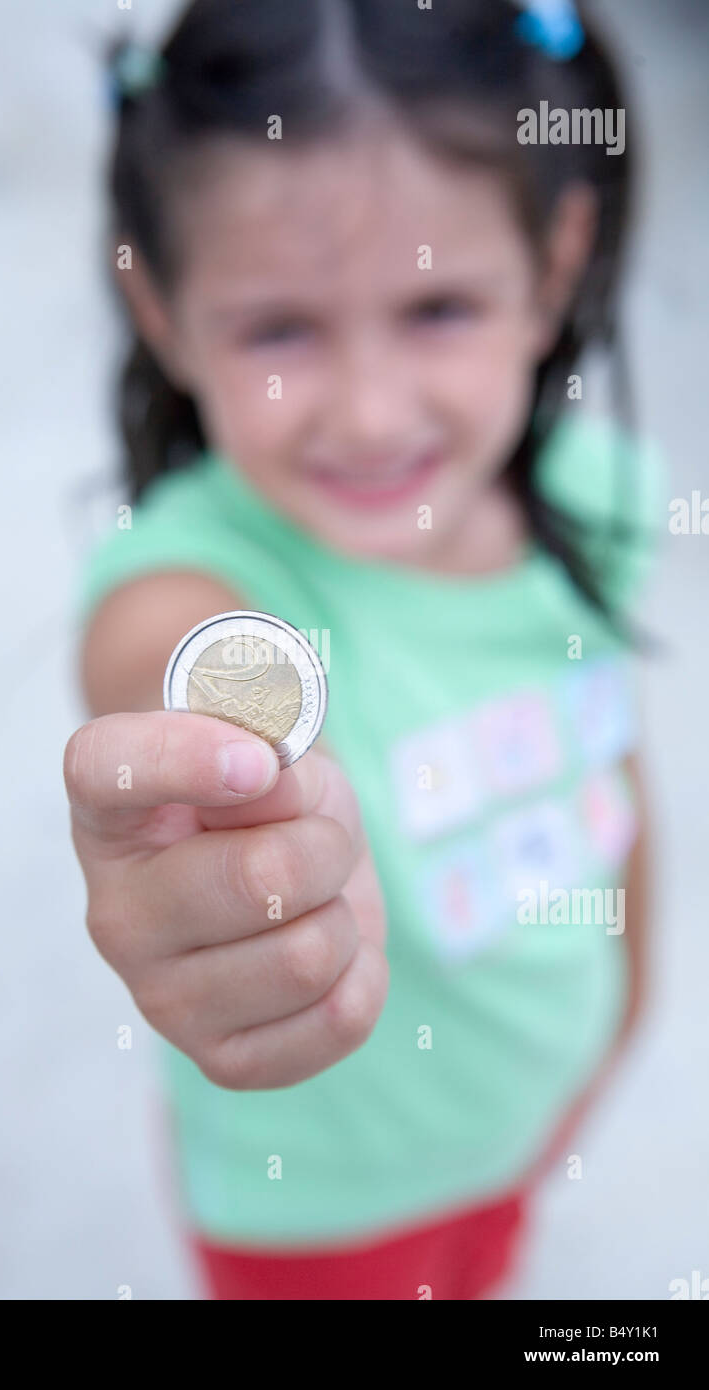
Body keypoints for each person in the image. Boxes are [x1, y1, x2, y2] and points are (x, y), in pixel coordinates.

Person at [63, 0, 664, 1299]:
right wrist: (197, 830)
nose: (370, 409)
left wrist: (627, 1006)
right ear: (157, 305)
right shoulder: (189, 590)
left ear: (554, 265)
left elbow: (613, 770)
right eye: (280, 329)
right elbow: (164, 666)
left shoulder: (599, 494)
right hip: (317, 1218)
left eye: (438, 307)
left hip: (534, 1121)